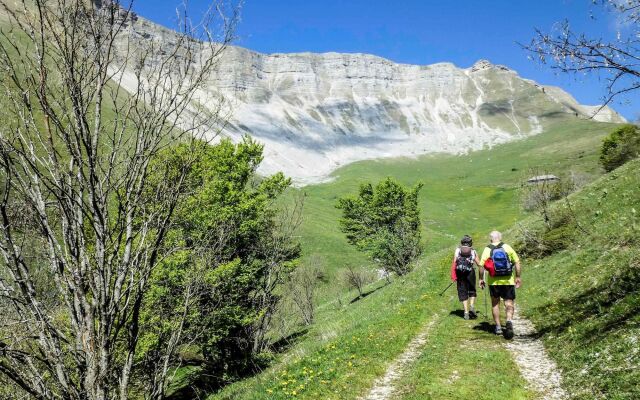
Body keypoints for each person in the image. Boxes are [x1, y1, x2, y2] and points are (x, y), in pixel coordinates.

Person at [479, 230, 522, 339]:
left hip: (494, 282)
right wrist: (517, 277)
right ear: (500, 238)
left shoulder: (487, 249)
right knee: (508, 302)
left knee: (495, 304)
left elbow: (481, 265)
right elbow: (517, 262)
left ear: (490, 239)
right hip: (508, 280)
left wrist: (480, 279)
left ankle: (498, 327)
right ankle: (508, 320)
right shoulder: (507, 247)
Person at [451, 235, 481, 320]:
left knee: (462, 291)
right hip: (470, 272)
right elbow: (479, 264)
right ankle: (471, 305)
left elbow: (454, 262)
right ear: (470, 243)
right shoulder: (473, 251)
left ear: (462, 242)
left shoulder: (457, 250)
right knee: (472, 289)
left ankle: (466, 312)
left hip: (460, 273)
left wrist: (453, 275)